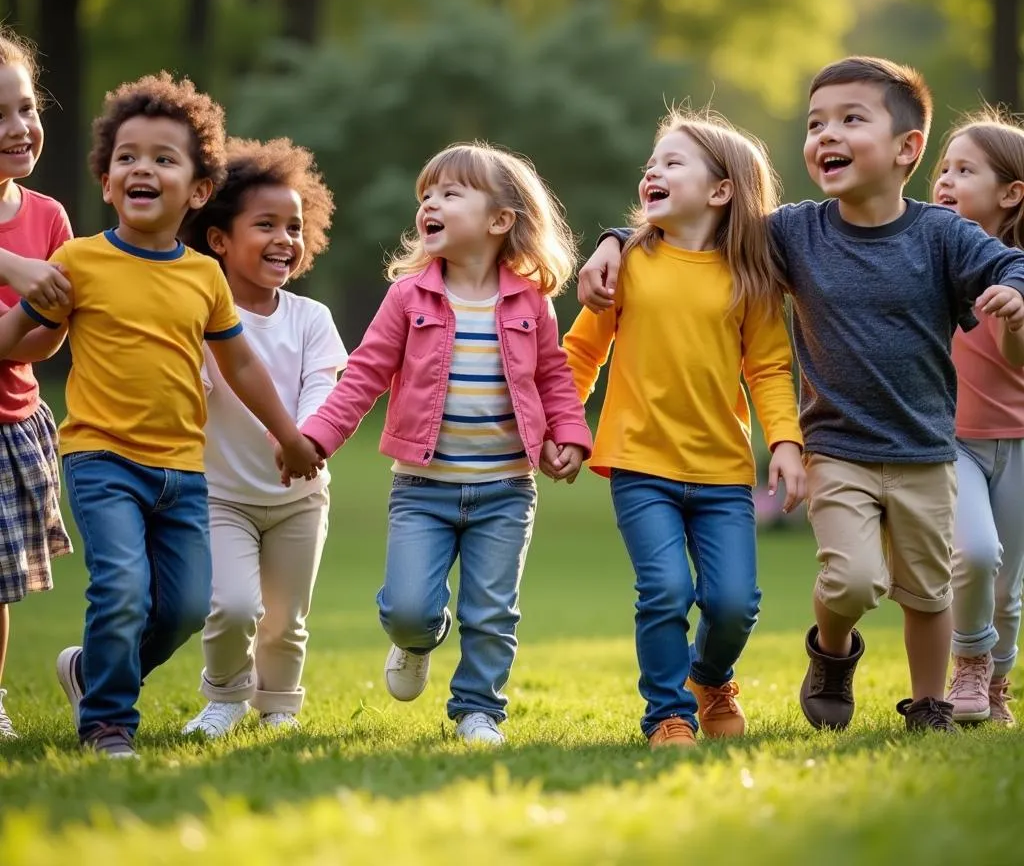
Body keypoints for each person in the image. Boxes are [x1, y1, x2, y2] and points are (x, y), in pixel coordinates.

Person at [578, 57, 1024, 733]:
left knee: (929, 589)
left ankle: (928, 702)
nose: (825, 134)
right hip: (837, 446)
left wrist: (1016, 290)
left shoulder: (942, 235)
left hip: (926, 448)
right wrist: (616, 240)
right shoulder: (794, 231)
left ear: (907, 149)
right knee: (853, 582)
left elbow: (1010, 259)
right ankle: (829, 654)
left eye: (850, 119)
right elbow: (698, 231)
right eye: (816, 123)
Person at [0, 73, 323, 757]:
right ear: (109, 181)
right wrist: (24, 317)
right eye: (127, 157)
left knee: (180, 608)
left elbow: (239, 365)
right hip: (101, 460)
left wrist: (289, 435)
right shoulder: (79, 261)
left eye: (164, 158)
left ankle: (92, 673)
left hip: (183, 471)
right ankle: (108, 723)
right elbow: (21, 336)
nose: (142, 167)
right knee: (122, 587)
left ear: (199, 190)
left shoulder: (204, 276)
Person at [287, 142, 592, 745]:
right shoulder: (409, 298)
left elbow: (555, 377)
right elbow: (365, 374)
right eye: (426, 194)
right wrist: (316, 436)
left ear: (500, 220)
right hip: (422, 489)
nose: (431, 202)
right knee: (408, 609)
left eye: (451, 193)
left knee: (492, 611)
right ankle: (418, 639)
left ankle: (479, 710)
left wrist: (572, 438)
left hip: (506, 489)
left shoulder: (531, 303)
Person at [562, 110, 804, 749]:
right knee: (665, 590)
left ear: (721, 191)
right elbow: (581, 354)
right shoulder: (629, 263)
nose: (653, 170)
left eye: (673, 163)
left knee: (734, 604)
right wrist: (562, 424)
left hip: (724, 470)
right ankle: (667, 715)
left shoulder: (751, 279)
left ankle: (711, 677)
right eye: (652, 162)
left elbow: (771, 367)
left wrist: (784, 441)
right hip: (640, 464)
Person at [178, 137, 346, 737]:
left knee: (285, 620)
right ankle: (224, 696)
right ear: (219, 240)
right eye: (266, 225)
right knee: (232, 607)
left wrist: (303, 439)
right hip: (223, 494)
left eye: (295, 227)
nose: (285, 239)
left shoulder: (311, 318)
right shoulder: (200, 318)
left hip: (299, 496)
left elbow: (324, 387)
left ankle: (277, 707)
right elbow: (191, 391)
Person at [932, 113, 1024, 726]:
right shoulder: (931, 253)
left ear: (1010, 192)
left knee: (1007, 589)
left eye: (964, 171)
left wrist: (1015, 318)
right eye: (942, 168)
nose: (944, 181)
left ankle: (996, 682)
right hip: (952, 439)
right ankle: (967, 663)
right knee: (975, 552)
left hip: (1017, 440)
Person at [0, 27, 75, 740]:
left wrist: (30, 314)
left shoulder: (48, 217)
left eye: (26, 107)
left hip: (12, 419)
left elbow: (50, 336)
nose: (19, 128)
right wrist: (15, 274)